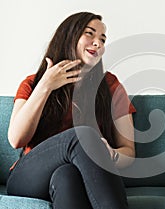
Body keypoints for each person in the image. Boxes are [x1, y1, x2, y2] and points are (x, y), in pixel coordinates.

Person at [6, 11, 136, 209]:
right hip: (29, 177)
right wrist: (45, 86)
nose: (98, 43)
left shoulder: (110, 85)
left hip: (77, 175)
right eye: (90, 34)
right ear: (70, 35)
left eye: (102, 39)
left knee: (67, 175)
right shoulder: (33, 83)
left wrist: (110, 154)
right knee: (82, 136)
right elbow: (16, 139)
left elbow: (129, 152)